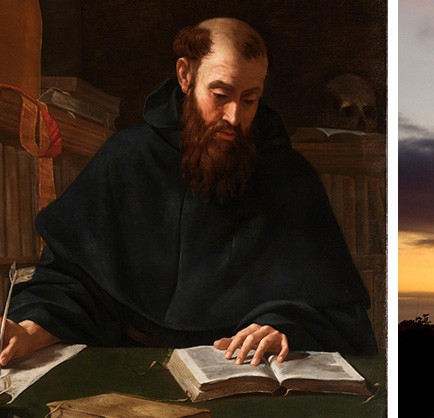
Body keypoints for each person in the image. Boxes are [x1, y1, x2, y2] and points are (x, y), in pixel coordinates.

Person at [0, 17, 377, 367]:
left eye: (249, 99)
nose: (233, 117)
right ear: (185, 75)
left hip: (241, 369)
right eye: (220, 94)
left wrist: (285, 328)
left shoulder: (288, 176)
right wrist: (29, 330)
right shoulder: (126, 158)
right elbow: (71, 283)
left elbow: (332, 308)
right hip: (124, 363)